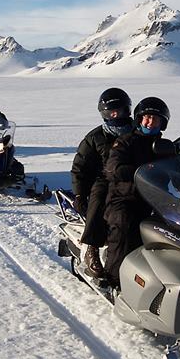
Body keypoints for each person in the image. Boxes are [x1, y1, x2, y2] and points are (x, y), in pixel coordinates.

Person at [102, 96, 170, 286]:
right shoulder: (126, 142)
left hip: (156, 200)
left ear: (162, 123)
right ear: (139, 119)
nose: (150, 122)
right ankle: (113, 278)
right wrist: (129, 171)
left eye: (155, 119)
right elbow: (113, 166)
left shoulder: (166, 147)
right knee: (125, 225)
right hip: (125, 198)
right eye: (147, 118)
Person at [70, 88, 134, 279]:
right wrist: (80, 194)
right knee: (98, 200)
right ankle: (92, 247)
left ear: (127, 110)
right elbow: (80, 167)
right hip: (104, 180)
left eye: (118, 111)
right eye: (110, 112)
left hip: (134, 179)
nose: (115, 116)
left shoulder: (137, 132)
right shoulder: (95, 137)